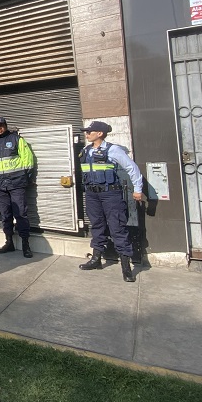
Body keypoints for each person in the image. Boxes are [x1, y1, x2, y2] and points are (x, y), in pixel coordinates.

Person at [77, 120, 144, 283]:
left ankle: (126, 268)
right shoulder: (86, 151)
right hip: (92, 195)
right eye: (86, 131)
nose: (86, 134)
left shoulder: (113, 150)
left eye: (89, 131)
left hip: (110, 195)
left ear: (99, 133)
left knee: (117, 228)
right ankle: (96, 259)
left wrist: (137, 189)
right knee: (97, 225)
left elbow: (132, 168)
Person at [0, 116, 35, 258]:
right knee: (5, 215)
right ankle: (9, 242)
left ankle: (26, 245)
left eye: (1, 125)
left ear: (6, 125)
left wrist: (26, 178)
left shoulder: (17, 139)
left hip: (16, 184)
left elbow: (28, 160)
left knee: (21, 214)